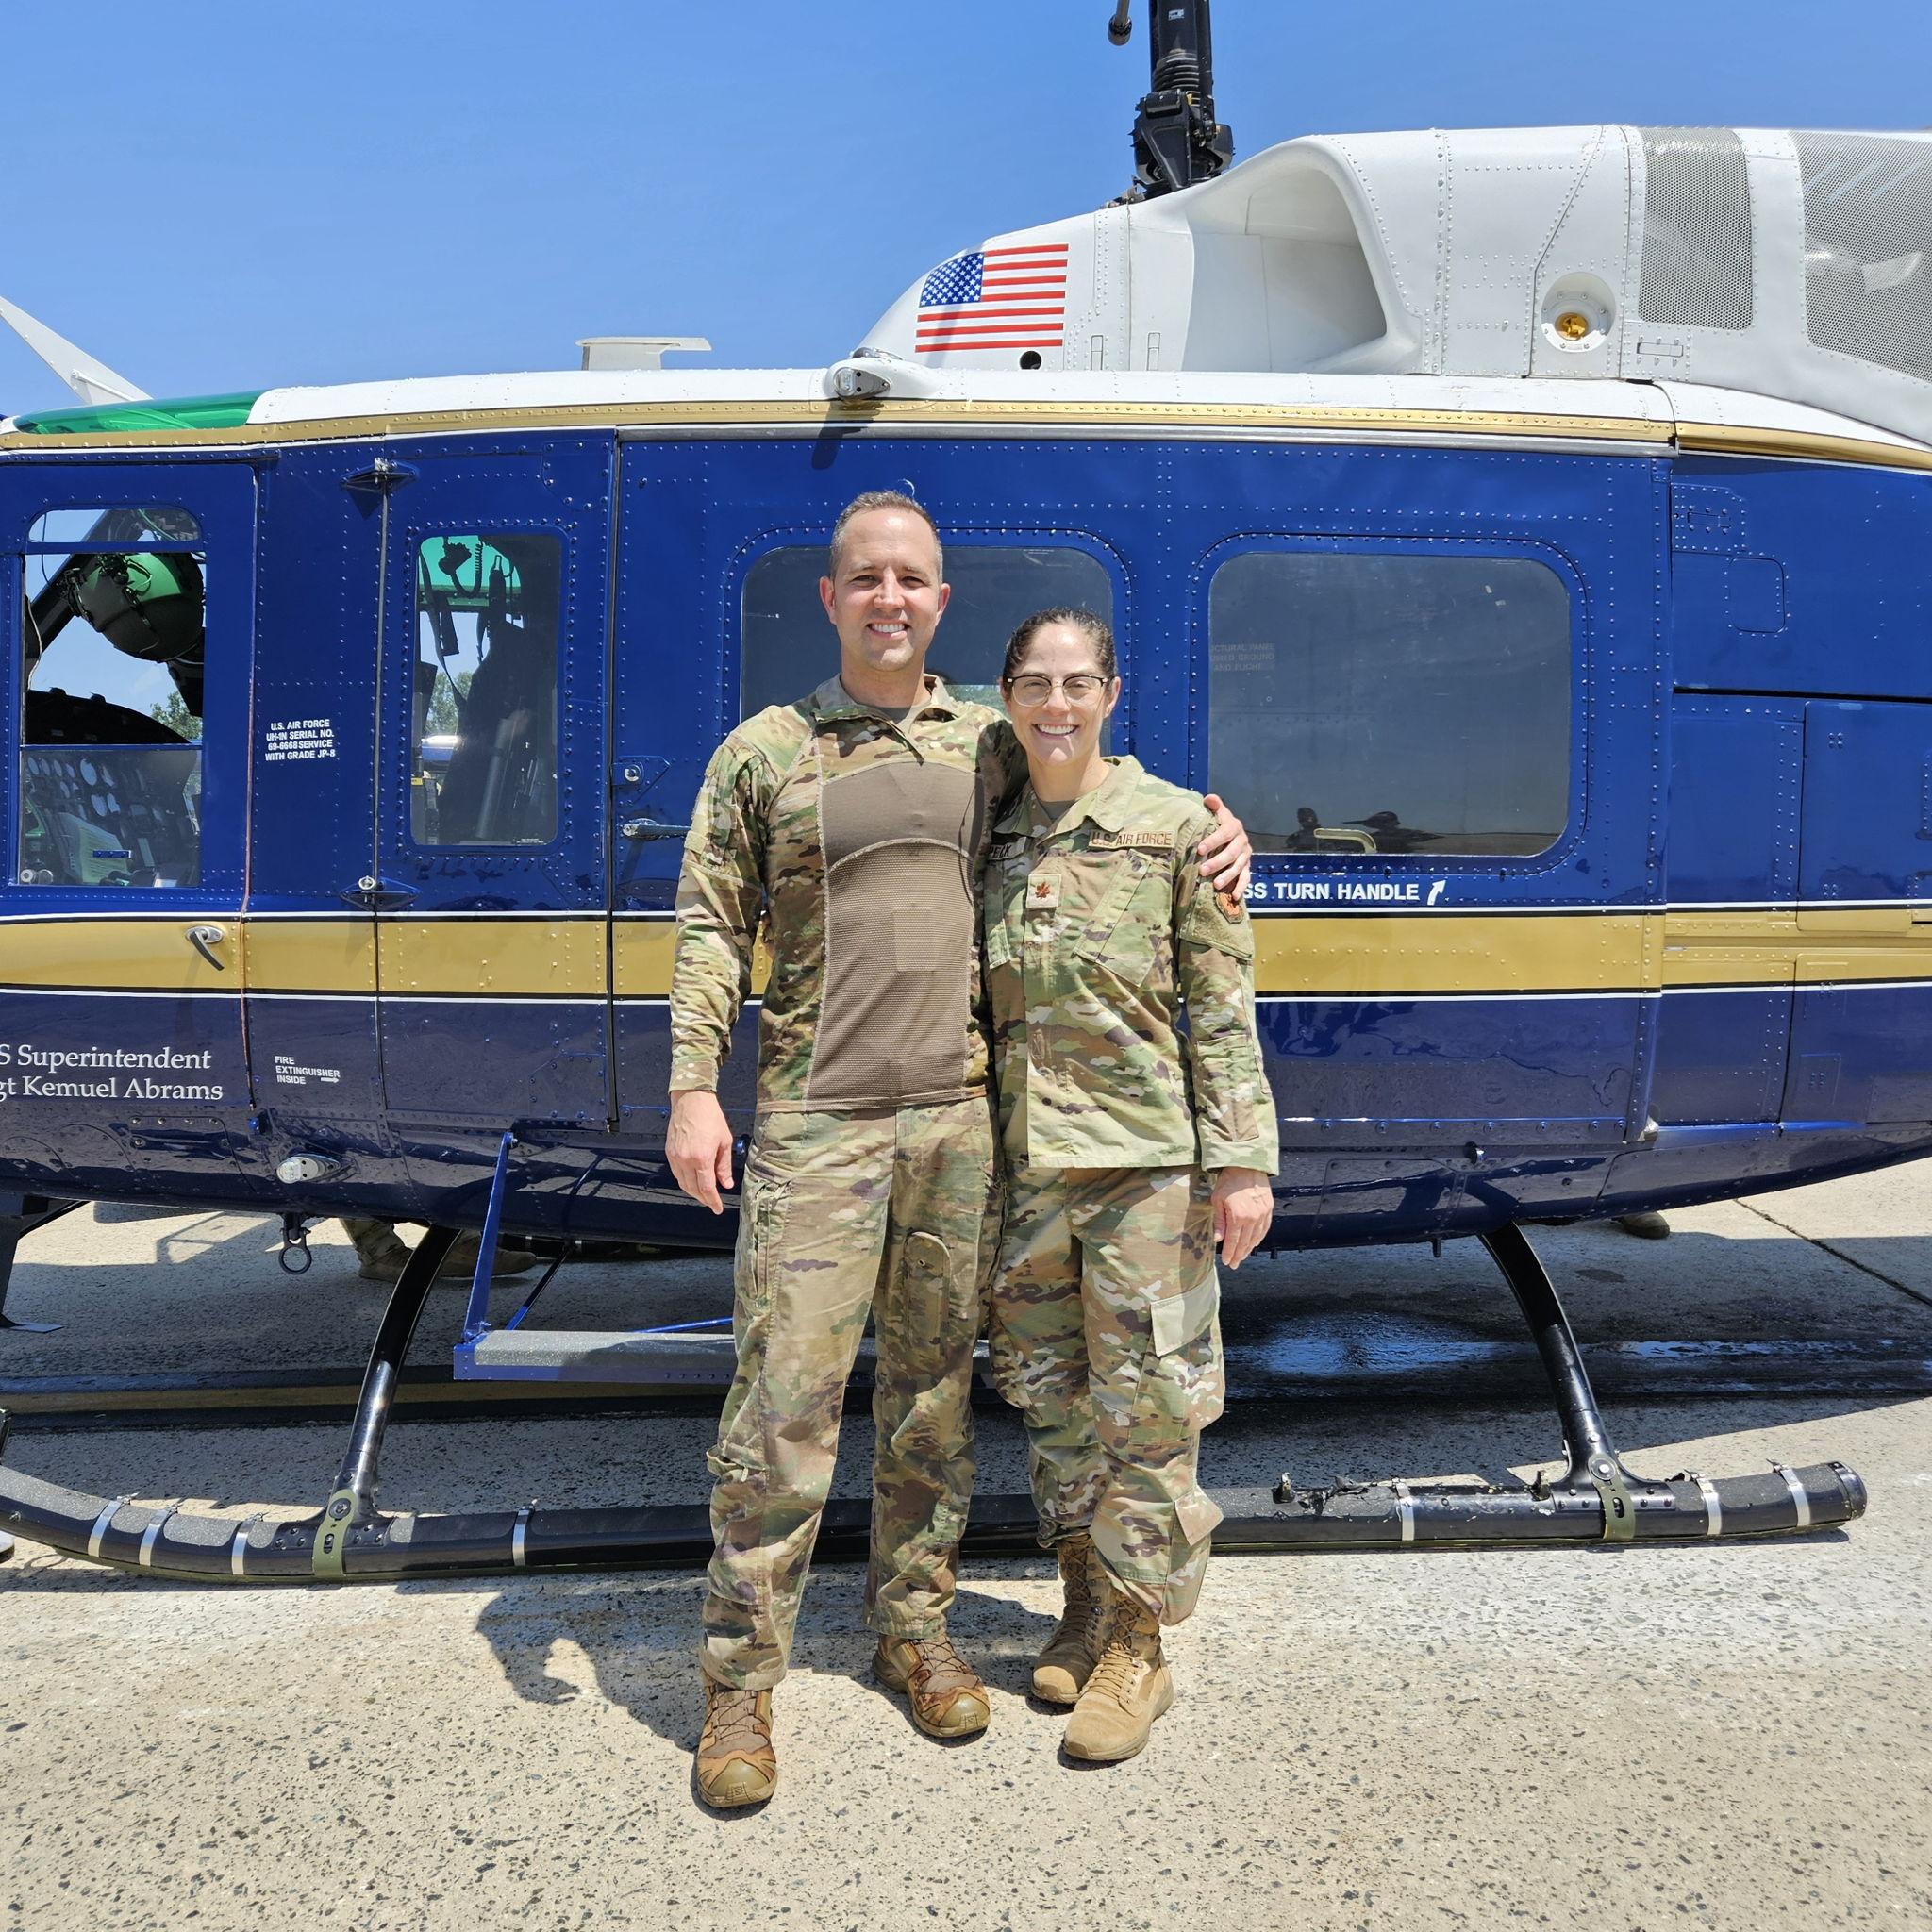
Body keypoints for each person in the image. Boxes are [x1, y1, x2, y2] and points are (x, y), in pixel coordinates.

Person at [665, 491, 1250, 1807]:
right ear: (832, 598)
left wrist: (1220, 837)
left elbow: (1087, 794)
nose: (889, 596)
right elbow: (709, 925)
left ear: (940, 603)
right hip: (818, 1121)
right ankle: (739, 1690)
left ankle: (913, 1634)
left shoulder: (988, 742)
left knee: (930, 1406)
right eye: (865, 577)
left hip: (959, 1125)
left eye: (913, 579)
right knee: (782, 1410)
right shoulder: (767, 752)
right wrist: (693, 1090)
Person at [983, 607, 1277, 1764]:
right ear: (1006, 698)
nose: (1055, 705)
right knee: (1052, 1403)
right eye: (1033, 684)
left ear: (1112, 692)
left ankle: (1139, 1647)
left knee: (1149, 1411)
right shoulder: (993, 832)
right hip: (1026, 1174)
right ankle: (1083, 1603)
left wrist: (1240, 1161)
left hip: (1145, 1175)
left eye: (1076, 682)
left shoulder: (1173, 830)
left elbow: (1218, 1005)